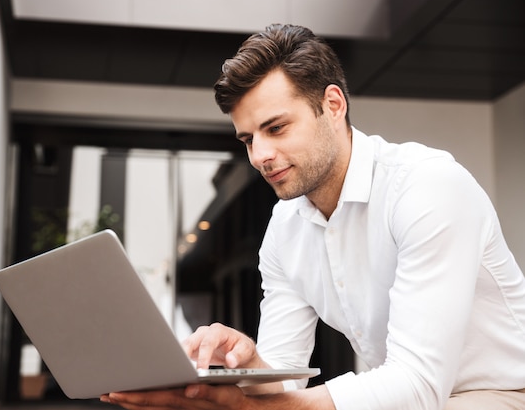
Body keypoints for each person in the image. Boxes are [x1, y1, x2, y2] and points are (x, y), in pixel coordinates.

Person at [100, 24, 525, 410]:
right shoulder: (285, 228)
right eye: (248, 139)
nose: (260, 156)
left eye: (277, 128)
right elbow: (285, 378)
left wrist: (250, 408)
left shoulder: (427, 186)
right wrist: (250, 363)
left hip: (503, 394)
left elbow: (416, 385)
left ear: (334, 105)